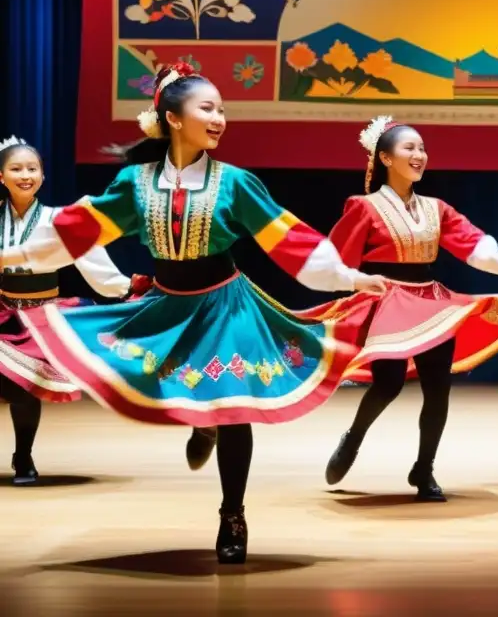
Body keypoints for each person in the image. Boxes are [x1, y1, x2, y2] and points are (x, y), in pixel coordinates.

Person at [3, 62, 386, 563]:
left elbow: (291, 240)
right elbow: (74, 231)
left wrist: (351, 278)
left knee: (234, 409)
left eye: (223, 109)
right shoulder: (135, 183)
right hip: (167, 305)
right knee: (174, 388)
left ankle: (232, 513)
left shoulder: (235, 183)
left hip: (226, 306)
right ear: (173, 118)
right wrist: (11, 258)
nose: (220, 118)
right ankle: (201, 424)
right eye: (208, 108)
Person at [298, 116, 498, 502]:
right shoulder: (364, 207)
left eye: (422, 148)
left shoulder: (436, 208)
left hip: (431, 301)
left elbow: (471, 244)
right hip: (389, 300)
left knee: (438, 391)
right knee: (387, 385)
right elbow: (337, 259)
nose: (419, 155)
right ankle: (353, 438)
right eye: (409, 148)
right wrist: (354, 282)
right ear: (385, 158)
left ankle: (424, 469)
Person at [0, 136, 134, 485]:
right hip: (3, 313)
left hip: (41, 316)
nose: (25, 174)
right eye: (16, 168)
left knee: (24, 388)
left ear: (43, 176)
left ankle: (23, 455)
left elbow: (89, 259)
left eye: (32, 168)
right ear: (1, 176)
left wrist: (124, 289)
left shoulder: (57, 220)